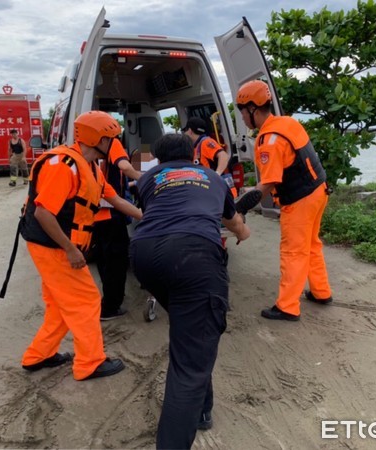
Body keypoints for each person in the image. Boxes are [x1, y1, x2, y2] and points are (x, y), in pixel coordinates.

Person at [129, 133, 250, 449]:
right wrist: (243, 232)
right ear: (194, 155)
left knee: (193, 334)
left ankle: (202, 411)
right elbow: (232, 220)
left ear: (158, 158)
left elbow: (154, 208)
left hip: (143, 255)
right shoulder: (212, 177)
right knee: (191, 361)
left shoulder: (149, 178)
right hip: (194, 256)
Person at [19, 110, 143, 381]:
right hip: (54, 247)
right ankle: (90, 363)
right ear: (96, 139)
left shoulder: (91, 168)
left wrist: (151, 217)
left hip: (58, 245)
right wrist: (71, 250)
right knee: (86, 301)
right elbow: (43, 214)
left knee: (60, 305)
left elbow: (117, 201)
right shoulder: (64, 166)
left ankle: (38, 355)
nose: (115, 145)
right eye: (111, 139)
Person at [235, 79, 332, 321]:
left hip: (300, 199)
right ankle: (321, 291)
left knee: (293, 252)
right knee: (311, 245)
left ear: (253, 109)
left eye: (242, 112)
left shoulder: (269, 141)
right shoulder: (287, 123)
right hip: (319, 190)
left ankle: (287, 307)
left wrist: (239, 207)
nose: (243, 118)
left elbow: (268, 184)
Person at [93, 137, 142, 320]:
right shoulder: (112, 142)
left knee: (104, 260)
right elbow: (124, 167)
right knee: (117, 261)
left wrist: (131, 184)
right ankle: (110, 307)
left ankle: (108, 301)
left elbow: (113, 180)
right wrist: (145, 178)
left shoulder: (89, 148)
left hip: (96, 214)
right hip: (111, 213)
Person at [182, 117, 238, 198]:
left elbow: (223, 156)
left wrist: (216, 175)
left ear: (190, 131)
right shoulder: (197, 146)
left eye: (185, 131)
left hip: (222, 194)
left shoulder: (206, 142)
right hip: (217, 193)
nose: (185, 134)